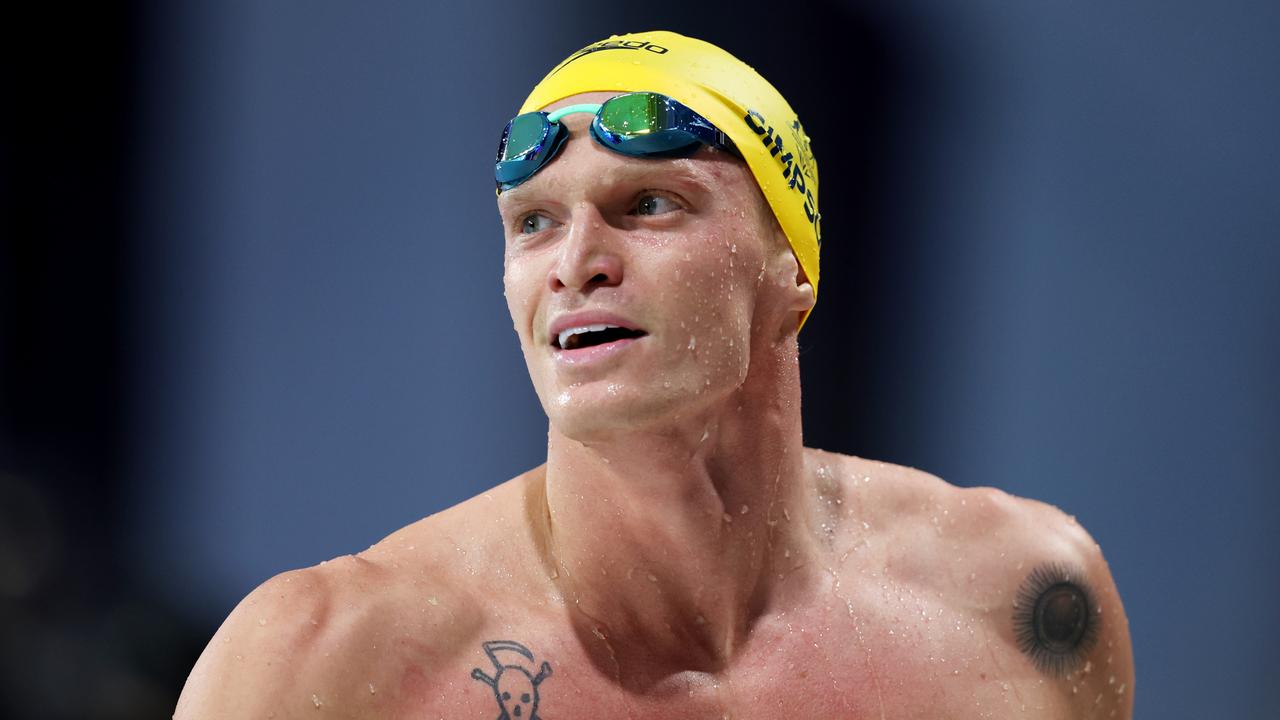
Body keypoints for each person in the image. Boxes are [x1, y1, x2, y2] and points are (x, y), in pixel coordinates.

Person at [175, 30, 1133, 719]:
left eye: (648, 204)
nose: (575, 260)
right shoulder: (327, 665)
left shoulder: (1022, 604)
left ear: (789, 270)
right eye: (533, 221)